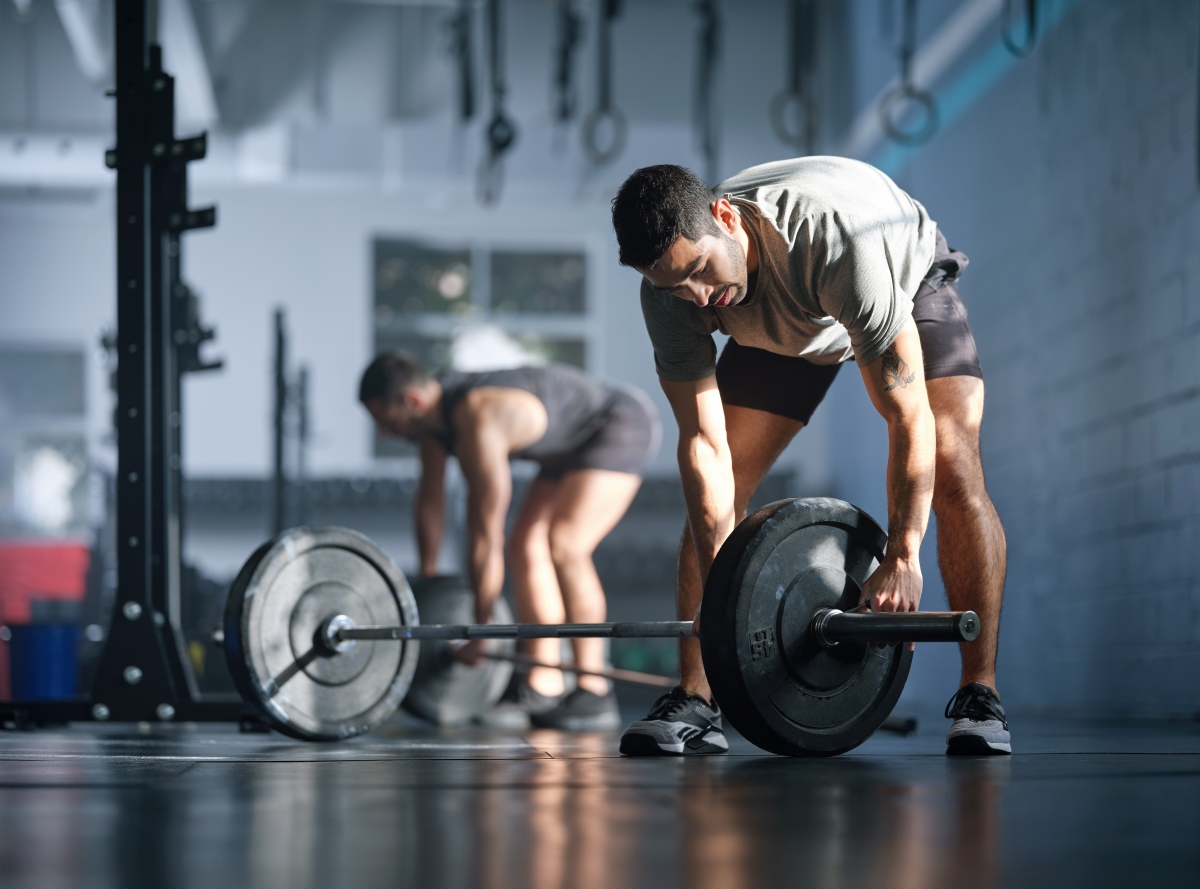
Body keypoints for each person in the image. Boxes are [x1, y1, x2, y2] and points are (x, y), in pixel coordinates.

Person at [610, 157, 1009, 756]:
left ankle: (981, 694)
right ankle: (697, 696)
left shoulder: (834, 242)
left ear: (725, 218)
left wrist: (903, 553)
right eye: (675, 287)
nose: (696, 298)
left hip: (900, 279)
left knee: (953, 465)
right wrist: (724, 591)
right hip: (780, 326)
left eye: (697, 270)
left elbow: (907, 417)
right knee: (719, 495)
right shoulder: (674, 296)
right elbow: (703, 443)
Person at [359, 353, 660, 730]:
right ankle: (542, 683)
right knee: (524, 545)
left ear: (412, 402)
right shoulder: (434, 424)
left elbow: (484, 533)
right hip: (563, 447)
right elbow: (429, 504)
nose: (386, 433)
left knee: (565, 543)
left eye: (386, 422)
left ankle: (594, 689)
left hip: (616, 424)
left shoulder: (479, 419)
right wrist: (428, 584)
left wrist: (480, 631)